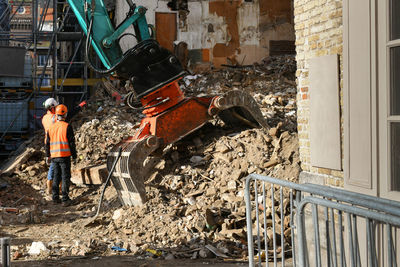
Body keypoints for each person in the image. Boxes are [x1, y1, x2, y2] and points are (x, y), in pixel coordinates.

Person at [45, 104, 77, 206]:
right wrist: (74, 155)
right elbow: (71, 143)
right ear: (65, 114)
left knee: (56, 177)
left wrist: (47, 155)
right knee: (65, 177)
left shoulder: (51, 128)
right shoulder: (67, 127)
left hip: (54, 157)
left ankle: (55, 198)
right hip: (64, 156)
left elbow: (47, 143)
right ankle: (65, 199)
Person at [41, 98, 58, 195]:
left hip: (47, 142)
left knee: (53, 164)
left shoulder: (44, 118)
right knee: (55, 164)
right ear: (52, 108)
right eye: (55, 107)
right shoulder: (54, 118)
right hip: (54, 142)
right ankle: (52, 186)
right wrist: (79, 107)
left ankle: (50, 184)